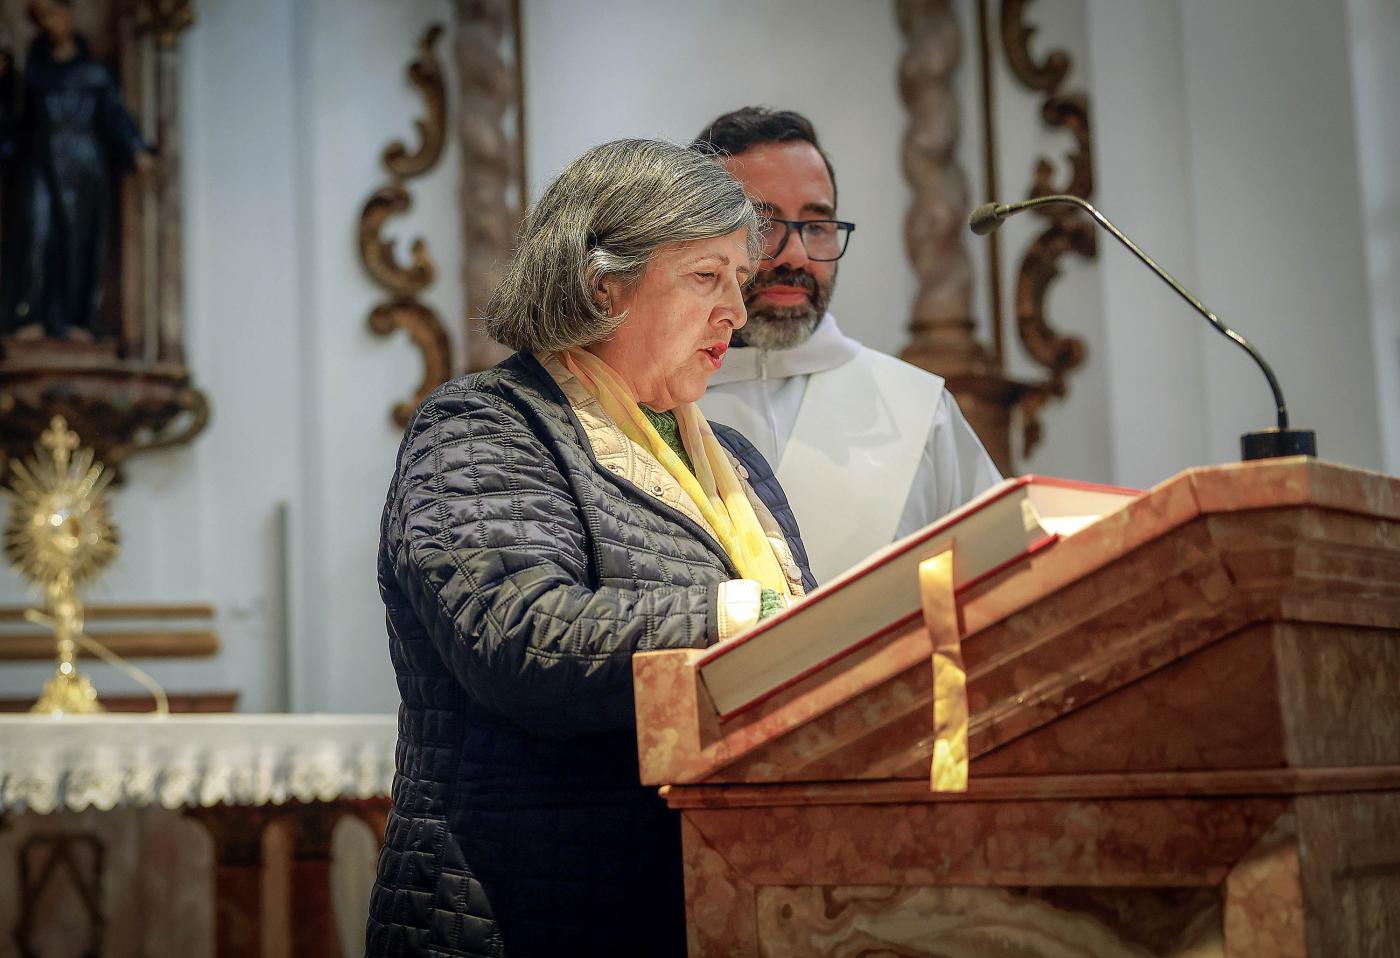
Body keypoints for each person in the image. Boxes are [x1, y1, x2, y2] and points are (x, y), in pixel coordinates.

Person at [368, 138, 814, 958]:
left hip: (714, 902)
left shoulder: (734, 462)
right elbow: (518, 633)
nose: (738, 314)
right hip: (518, 911)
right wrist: (751, 613)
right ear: (603, 283)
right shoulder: (487, 426)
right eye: (706, 276)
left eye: (739, 282)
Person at [693, 107, 1002, 583]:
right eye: (760, 224)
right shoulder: (641, 402)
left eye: (816, 226)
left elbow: (1000, 581)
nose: (795, 254)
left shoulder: (918, 410)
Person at [2, 0, 154, 341]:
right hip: (38, 164)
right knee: (35, 236)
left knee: (77, 240)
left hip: (83, 166)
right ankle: (32, 315)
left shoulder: (95, 72)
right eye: (41, 19)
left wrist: (136, 151)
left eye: (53, 14)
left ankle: (76, 320)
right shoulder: (31, 74)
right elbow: (15, 123)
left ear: (67, 13)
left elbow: (115, 115)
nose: (49, 24)